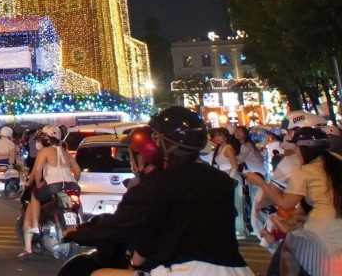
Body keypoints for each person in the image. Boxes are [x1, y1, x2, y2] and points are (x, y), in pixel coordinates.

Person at [92, 107, 252, 276]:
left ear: (170, 143)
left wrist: (133, 264)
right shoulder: (221, 179)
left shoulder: (164, 180)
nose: (154, 143)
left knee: (99, 274)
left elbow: (150, 236)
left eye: (156, 137)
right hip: (236, 269)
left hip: (187, 270)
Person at [62, 126, 166, 273]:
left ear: (141, 158)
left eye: (129, 156)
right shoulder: (174, 179)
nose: (130, 162)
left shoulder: (146, 189)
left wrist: (77, 234)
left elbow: (117, 226)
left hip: (161, 265)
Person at [247, 126, 342, 276]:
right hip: (337, 232)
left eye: (297, 148)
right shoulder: (336, 162)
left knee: (289, 245)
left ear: (303, 148)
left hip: (321, 236)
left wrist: (260, 183)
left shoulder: (304, 171)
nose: (296, 152)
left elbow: (285, 203)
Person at [19, 125, 80, 256]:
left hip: (53, 185)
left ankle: (35, 227)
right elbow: (78, 171)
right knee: (75, 206)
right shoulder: (65, 152)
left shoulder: (45, 151)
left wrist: (39, 183)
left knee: (35, 196)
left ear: (47, 138)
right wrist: (75, 182)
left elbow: (37, 171)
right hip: (72, 186)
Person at [211, 127, 246, 239]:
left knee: (236, 204)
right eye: (216, 135)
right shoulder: (220, 148)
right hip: (225, 178)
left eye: (220, 135)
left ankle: (240, 230)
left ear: (226, 137)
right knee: (228, 205)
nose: (217, 137)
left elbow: (235, 165)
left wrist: (228, 180)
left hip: (232, 178)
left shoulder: (227, 148)